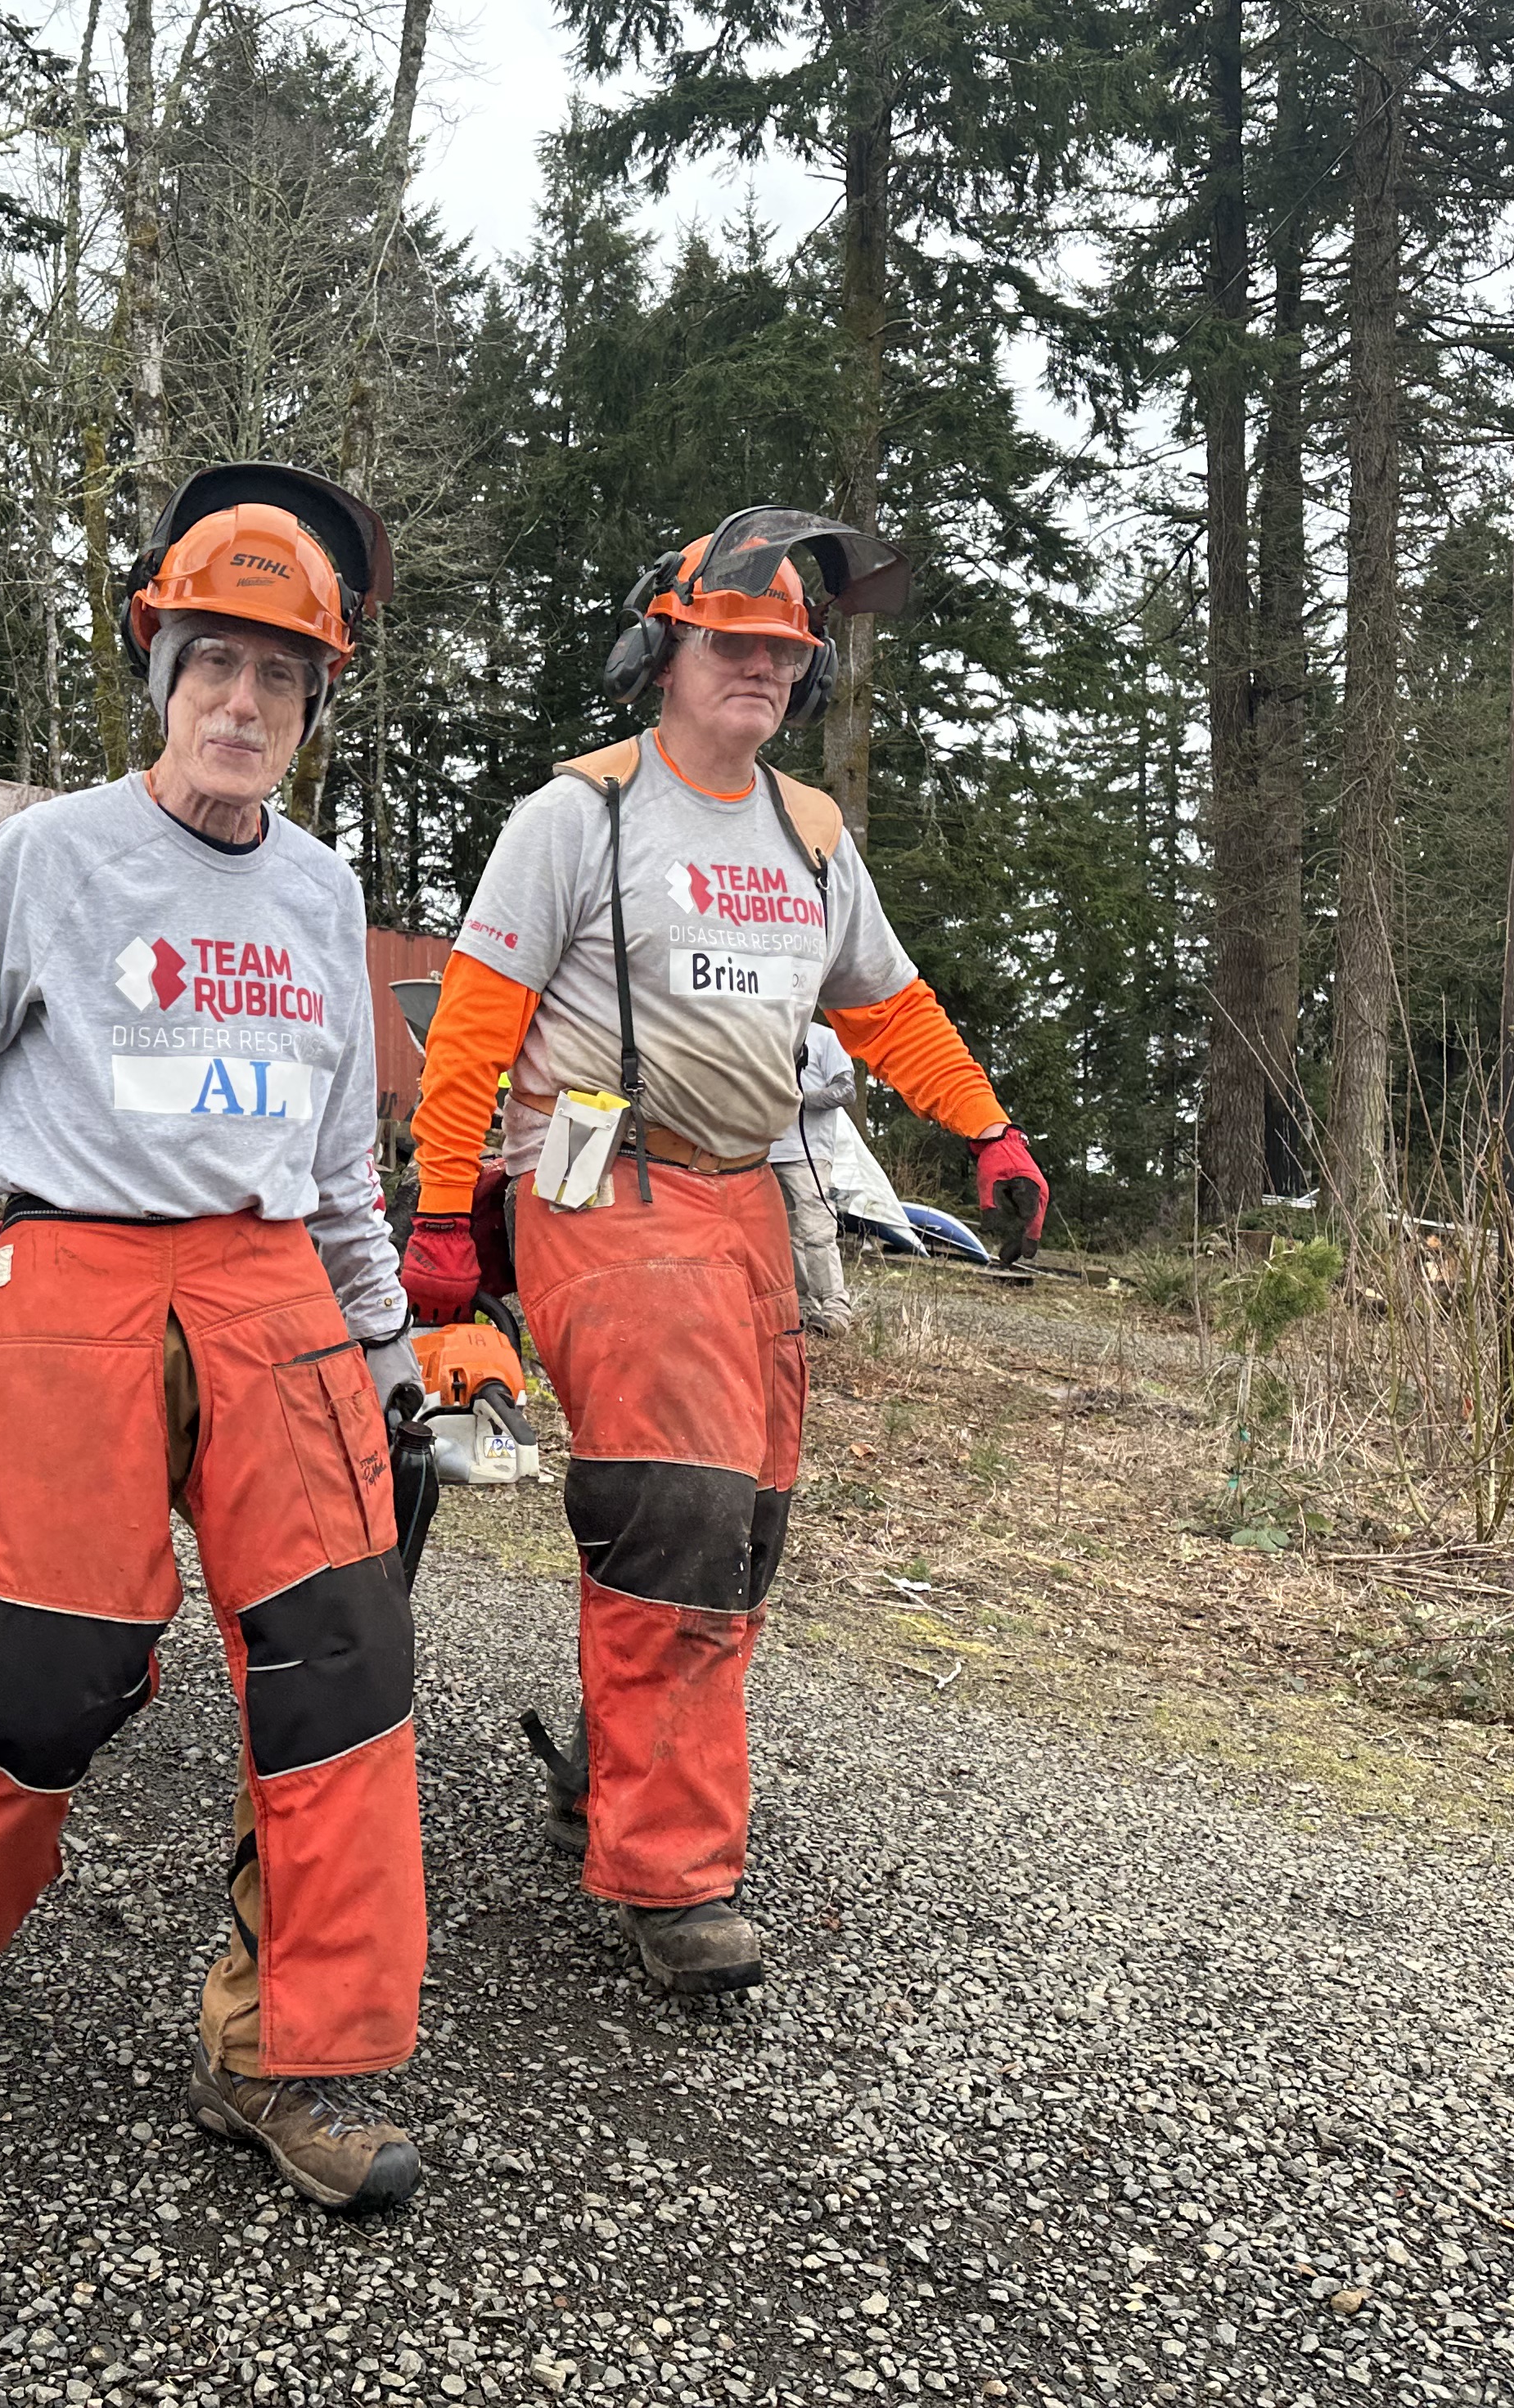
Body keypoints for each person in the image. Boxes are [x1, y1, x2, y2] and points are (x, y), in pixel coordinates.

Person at [0, 464, 431, 2216]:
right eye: (213, 663)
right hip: (72, 1288)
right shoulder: (48, 857)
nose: (242, 702)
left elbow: (344, 1166)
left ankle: (289, 2056)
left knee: (346, 1680)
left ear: (313, 704)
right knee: (46, 1678)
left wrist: (388, 1353)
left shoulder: (319, 895)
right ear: (160, 675)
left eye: (279, 676)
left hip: (280, 1300)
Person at [396, 508, 1048, 1996]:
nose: (757, 668)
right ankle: (669, 1873)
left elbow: (886, 1005)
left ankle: (621, 1772)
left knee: (739, 1527)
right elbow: (477, 1027)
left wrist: (987, 1128)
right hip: (600, 1174)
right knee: (676, 1504)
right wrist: (443, 1212)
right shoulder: (582, 814)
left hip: (753, 1192)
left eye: (782, 652)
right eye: (730, 642)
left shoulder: (808, 832)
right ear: (666, 647)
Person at [770, 1022, 859, 1335]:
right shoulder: (768, 1032)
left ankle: (835, 1311)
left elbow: (847, 1090)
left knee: (817, 1231)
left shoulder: (824, 1037)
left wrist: (799, 1100)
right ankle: (803, 1309)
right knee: (783, 1237)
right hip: (765, 1152)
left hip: (809, 1153)